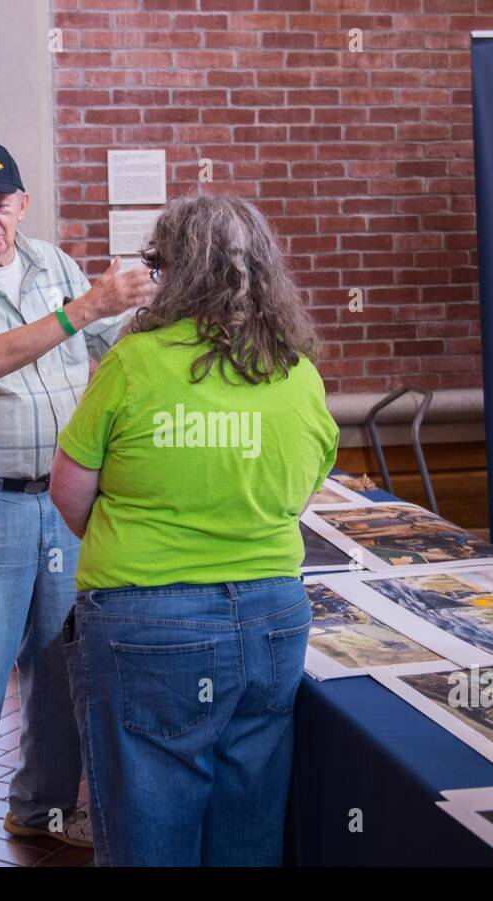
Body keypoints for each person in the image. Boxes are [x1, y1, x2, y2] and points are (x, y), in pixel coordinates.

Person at [50, 195, 341, 866]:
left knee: (148, 822)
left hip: (147, 620)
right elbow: (298, 493)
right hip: (272, 614)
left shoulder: (134, 363)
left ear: (172, 272)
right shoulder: (297, 373)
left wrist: (139, 534)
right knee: (248, 816)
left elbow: (69, 493)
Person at [0, 142, 156, 866]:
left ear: (22, 203)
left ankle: (39, 810)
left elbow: (115, 340)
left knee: (62, 666)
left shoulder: (55, 264)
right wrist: (86, 309)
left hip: (65, 501)